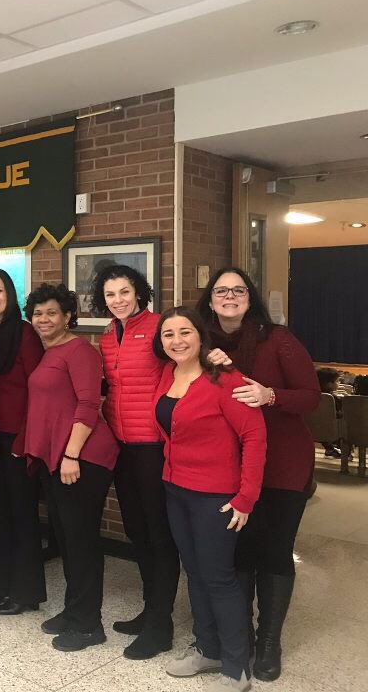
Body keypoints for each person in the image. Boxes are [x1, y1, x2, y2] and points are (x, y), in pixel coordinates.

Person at [196, 268, 319, 682]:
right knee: (239, 553)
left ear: (250, 297)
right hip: (228, 468)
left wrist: (269, 395)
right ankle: (241, 636)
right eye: (221, 290)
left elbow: (311, 396)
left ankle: (268, 643)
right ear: (210, 300)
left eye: (238, 290)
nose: (230, 296)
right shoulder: (202, 342)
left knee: (274, 551)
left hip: (283, 465)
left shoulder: (277, 339)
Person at [154, 307, 266, 692]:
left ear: (201, 336)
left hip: (216, 497)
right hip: (176, 490)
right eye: (168, 334)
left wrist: (246, 497)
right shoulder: (167, 375)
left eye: (185, 332)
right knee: (195, 573)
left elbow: (254, 436)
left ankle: (237, 668)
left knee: (218, 578)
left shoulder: (224, 378)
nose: (177, 341)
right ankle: (208, 649)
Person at [90, 264, 180, 659]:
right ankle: (151, 609)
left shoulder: (161, 327)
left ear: (139, 292)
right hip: (122, 446)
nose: (118, 300)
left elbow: (185, 368)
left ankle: (162, 624)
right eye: (110, 295)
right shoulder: (107, 337)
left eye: (124, 292)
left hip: (154, 445)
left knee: (159, 534)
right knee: (137, 531)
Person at [25, 283, 119, 652]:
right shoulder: (48, 352)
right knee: (66, 539)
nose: (44, 319)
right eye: (38, 313)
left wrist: (71, 455)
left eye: (52, 312)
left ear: (68, 316)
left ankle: (88, 624)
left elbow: (87, 404)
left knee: (81, 542)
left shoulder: (80, 349)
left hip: (83, 459)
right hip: (57, 459)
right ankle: (73, 610)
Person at [0, 269, 46, 617]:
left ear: (9, 293)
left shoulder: (25, 333)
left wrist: (25, 437)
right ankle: (2, 587)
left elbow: (38, 388)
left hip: (19, 436)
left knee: (22, 514)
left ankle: (26, 592)